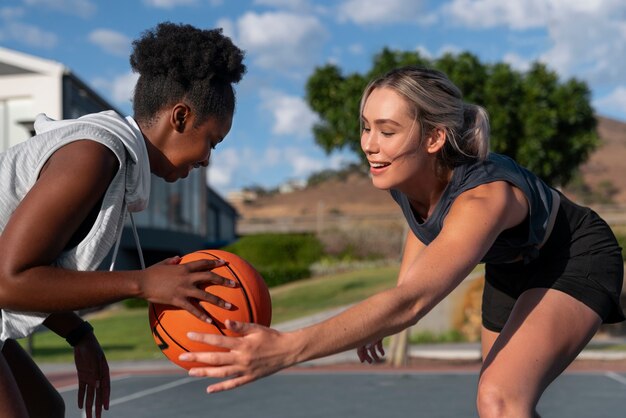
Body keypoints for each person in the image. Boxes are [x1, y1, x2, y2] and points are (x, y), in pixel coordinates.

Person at [180, 66, 624, 417]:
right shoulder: (401, 177)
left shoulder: (483, 199)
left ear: (434, 138)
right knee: (498, 405)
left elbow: (413, 301)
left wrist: (287, 347)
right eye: (366, 126)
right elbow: (416, 254)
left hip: (574, 255)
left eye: (387, 131)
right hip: (513, 267)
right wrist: (382, 317)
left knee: (500, 399)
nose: (370, 145)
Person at [0, 22, 246, 418]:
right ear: (180, 117)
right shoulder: (93, 156)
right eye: (211, 142)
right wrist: (142, 282)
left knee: (46, 410)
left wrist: (79, 333)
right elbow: (8, 281)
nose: (206, 159)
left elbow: (32, 269)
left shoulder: (108, 159)